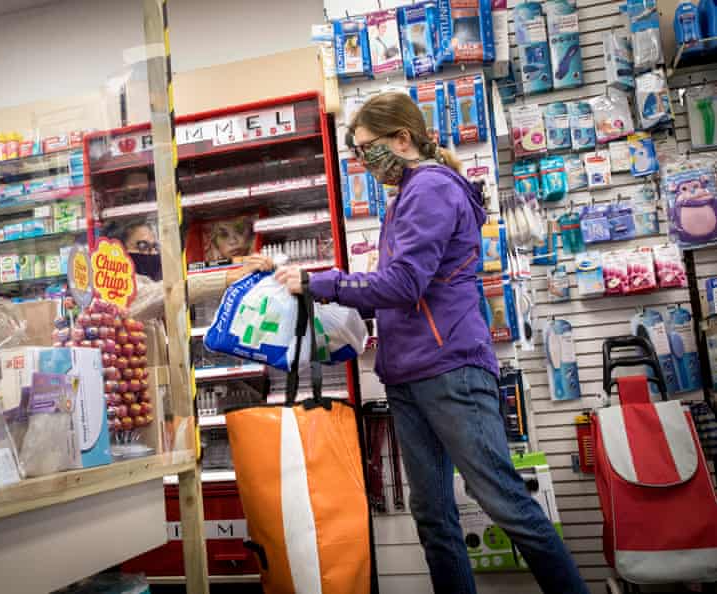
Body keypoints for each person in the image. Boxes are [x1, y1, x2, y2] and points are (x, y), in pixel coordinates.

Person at [275, 92, 590, 594]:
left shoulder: (431, 189)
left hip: (449, 371)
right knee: (434, 518)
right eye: (356, 153)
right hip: (409, 373)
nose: (364, 162)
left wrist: (324, 282)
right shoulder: (405, 198)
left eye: (368, 148)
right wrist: (330, 304)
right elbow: (396, 293)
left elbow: (405, 285)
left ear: (403, 139)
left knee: (505, 502)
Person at [110, 221, 271, 302]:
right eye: (143, 246)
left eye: (154, 247)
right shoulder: (115, 291)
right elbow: (166, 292)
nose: (151, 254)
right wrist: (228, 277)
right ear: (119, 251)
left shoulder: (148, 282)